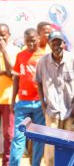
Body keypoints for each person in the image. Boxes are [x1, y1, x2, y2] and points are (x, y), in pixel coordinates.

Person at [35, 31, 74, 166]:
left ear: (64, 43)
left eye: (59, 42)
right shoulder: (43, 61)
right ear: (49, 44)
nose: (57, 46)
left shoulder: (73, 59)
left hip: (70, 109)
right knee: (50, 147)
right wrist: (43, 106)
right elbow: (38, 82)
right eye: (53, 43)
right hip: (51, 110)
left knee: (69, 144)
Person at [10, 28, 45, 166]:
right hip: (23, 103)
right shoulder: (20, 55)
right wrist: (13, 100)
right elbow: (16, 79)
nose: (30, 43)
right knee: (18, 137)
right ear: (24, 40)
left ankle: (35, 164)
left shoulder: (44, 56)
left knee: (38, 138)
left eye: (33, 40)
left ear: (38, 38)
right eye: (27, 40)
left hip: (39, 103)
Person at [0, 23, 19, 166]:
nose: (0, 38)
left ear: (9, 35)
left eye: (3, 35)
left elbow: (11, 72)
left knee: (9, 134)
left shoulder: (15, 50)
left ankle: (6, 163)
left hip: (8, 98)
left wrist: (4, 50)